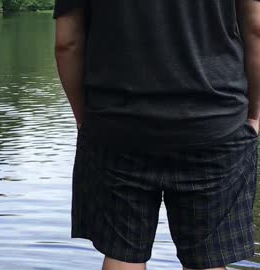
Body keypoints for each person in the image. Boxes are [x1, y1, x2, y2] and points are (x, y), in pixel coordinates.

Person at [54, 1, 260, 270]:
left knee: (122, 252)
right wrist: (255, 113)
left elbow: (66, 43)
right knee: (207, 258)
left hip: (116, 127)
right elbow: (255, 28)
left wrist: (85, 119)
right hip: (214, 123)